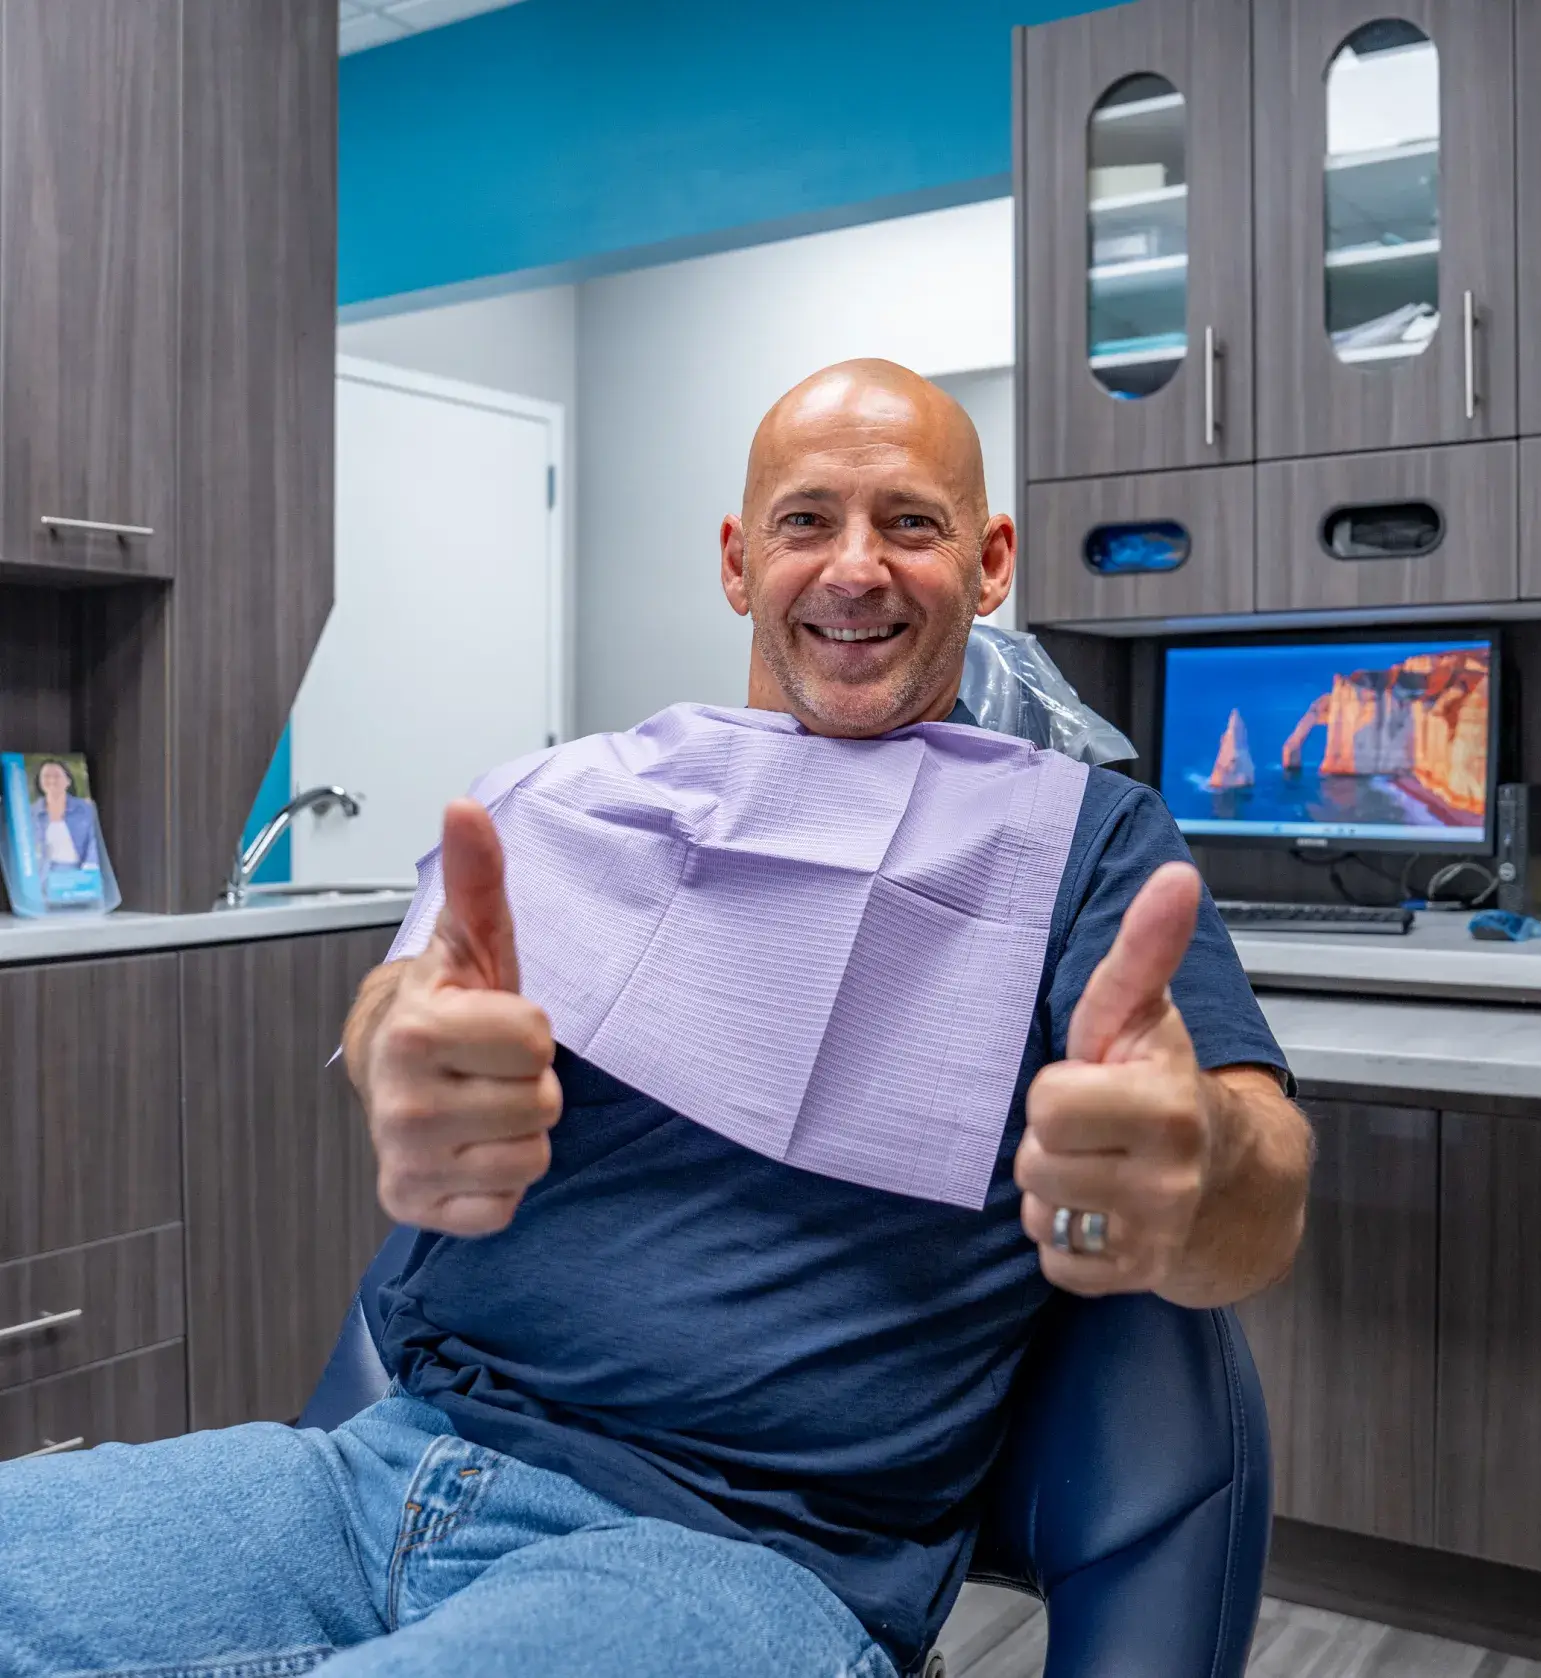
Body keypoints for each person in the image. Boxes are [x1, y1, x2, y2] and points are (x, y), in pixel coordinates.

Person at [0, 360, 1311, 1678]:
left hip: (738, 1559)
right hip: (365, 1475)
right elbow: (417, 1003)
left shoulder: (1086, 843)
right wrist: (405, 1050)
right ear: (739, 562)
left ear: (989, 561)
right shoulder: (578, 796)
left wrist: (1194, 1150)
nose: (854, 568)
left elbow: (1257, 1184)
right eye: (806, 522)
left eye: (908, 522)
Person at [30, 757, 97, 872]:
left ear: (68, 781)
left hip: (79, 873)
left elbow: (94, 841)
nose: (51, 780)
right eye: (46, 776)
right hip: (42, 876)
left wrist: (90, 869)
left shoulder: (85, 809)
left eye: (56, 776)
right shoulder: (30, 812)